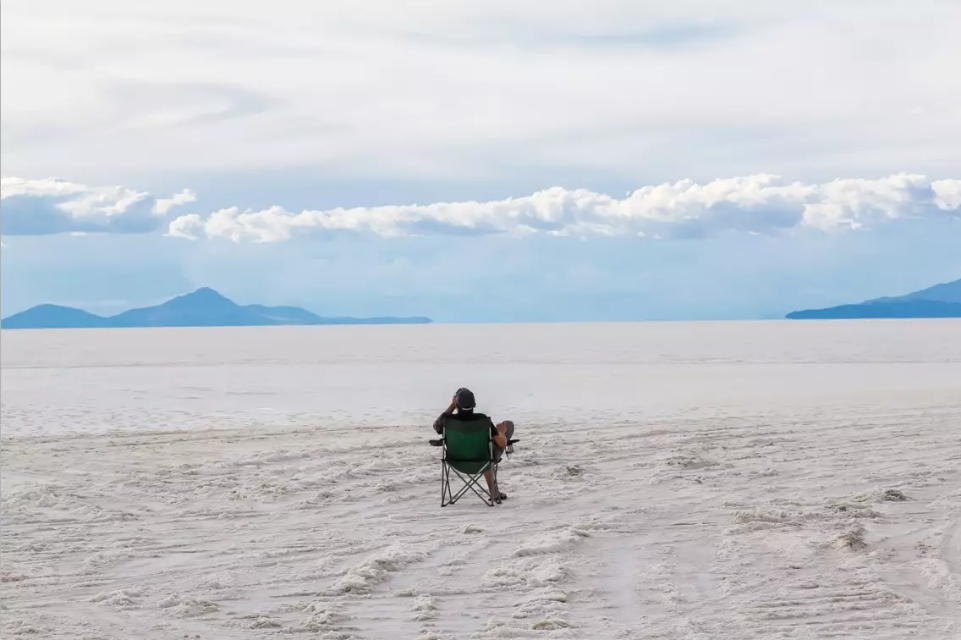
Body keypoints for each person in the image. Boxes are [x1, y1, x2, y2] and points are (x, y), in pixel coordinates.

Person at [433, 387, 515, 501]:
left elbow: (436, 426)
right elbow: (502, 443)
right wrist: (501, 431)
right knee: (498, 438)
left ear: (456, 402)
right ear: (474, 404)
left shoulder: (448, 421)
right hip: (482, 461)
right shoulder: (482, 420)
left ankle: (494, 491)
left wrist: (452, 405)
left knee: (485, 450)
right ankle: (493, 492)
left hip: (456, 461)